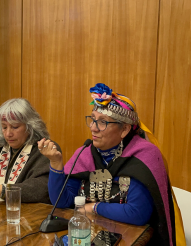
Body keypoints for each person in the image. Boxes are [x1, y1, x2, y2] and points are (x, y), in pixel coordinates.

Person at [41, 83, 184, 246]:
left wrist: (94, 207)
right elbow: (62, 201)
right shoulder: (86, 152)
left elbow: (137, 213)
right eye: (92, 120)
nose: (93, 128)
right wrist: (55, 163)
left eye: (103, 122)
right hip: (90, 235)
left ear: (124, 129)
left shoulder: (143, 155)